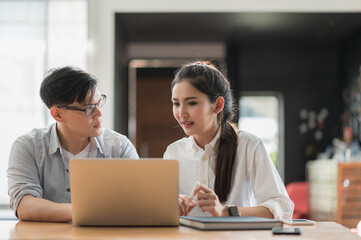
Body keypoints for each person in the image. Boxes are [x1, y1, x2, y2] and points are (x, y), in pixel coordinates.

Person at [163, 61, 294, 219]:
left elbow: (282, 207)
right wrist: (171, 206)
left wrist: (226, 211)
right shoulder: (173, 152)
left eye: (191, 103)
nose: (181, 113)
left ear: (217, 105)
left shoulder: (248, 146)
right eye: (176, 103)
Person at [7, 66, 139, 222]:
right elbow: (25, 206)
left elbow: (137, 200)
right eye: (89, 108)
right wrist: (88, 211)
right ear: (58, 114)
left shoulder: (119, 146)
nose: (99, 114)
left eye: (99, 102)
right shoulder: (28, 147)